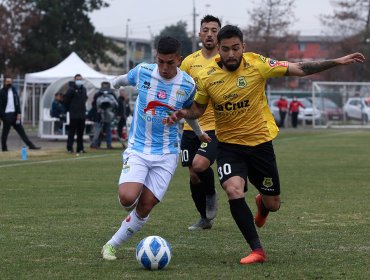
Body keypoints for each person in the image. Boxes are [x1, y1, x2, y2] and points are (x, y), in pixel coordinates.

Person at [167, 25, 365, 264]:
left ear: (243, 48)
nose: (231, 54)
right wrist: (183, 113)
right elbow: (198, 109)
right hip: (229, 146)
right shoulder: (207, 77)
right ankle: (257, 250)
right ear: (219, 49)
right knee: (233, 190)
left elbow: (299, 68)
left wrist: (337, 61)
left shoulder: (257, 64)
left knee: (274, 204)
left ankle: (263, 204)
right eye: (226, 49)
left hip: (260, 144)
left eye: (236, 48)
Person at [101, 36, 211, 261]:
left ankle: (111, 245)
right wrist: (112, 83)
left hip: (167, 152)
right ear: (156, 58)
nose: (164, 68)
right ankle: (136, 187)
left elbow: (188, 113)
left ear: (179, 60)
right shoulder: (143, 71)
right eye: (160, 61)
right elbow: (124, 79)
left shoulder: (188, 85)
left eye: (170, 63)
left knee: (146, 205)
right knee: (127, 199)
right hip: (139, 148)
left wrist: (199, 133)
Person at [179, 15, 221, 230]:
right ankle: (204, 218)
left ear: (219, 34)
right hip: (189, 127)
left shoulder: (224, 60)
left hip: (215, 127)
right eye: (206, 30)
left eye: (214, 30)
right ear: (199, 34)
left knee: (200, 164)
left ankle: (212, 193)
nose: (210, 34)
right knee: (194, 176)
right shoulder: (189, 61)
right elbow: (179, 90)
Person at [0, 77, 41, 151]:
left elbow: (17, 102)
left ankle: (31, 145)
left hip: (15, 115)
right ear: (4, 82)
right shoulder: (1, 92)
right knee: (5, 133)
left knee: (22, 132)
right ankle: (4, 148)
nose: (9, 83)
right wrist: (3, 116)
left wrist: (19, 113)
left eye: (10, 81)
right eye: (7, 81)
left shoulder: (14, 91)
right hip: (7, 115)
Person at [63, 74, 88, 154]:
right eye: (77, 79)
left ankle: (80, 148)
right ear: (75, 80)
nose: (79, 81)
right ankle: (69, 148)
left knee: (80, 132)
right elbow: (66, 100)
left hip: (82, 114)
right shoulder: (71, 89)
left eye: (80, 79)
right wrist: (69, 109)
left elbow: (85, 99)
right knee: (72, 132)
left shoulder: (83, 89)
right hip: (74, 114)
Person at [90, 82, 118, 149]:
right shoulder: (98, 94)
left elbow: (115, 104)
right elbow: (95, 104)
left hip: (108, 115)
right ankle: (95, 143)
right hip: (99, 115)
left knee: (108, 130)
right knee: (98, 130)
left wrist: (112, 112)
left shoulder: (111, 94)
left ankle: (108, 144)